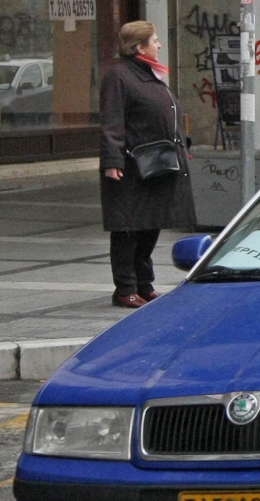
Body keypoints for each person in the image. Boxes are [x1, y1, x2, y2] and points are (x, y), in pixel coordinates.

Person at [99, 21, 196, 309]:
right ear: (139, 47)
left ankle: (144, 284)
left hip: (157, 164)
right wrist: (112, 161)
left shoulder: (149, 73)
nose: (159, 45)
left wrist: (182, 145)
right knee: (128, 228)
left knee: (150, 225)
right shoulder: (119, 76)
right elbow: (112, 121)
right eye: (154, 40)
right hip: (131, 167)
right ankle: (125, 289)